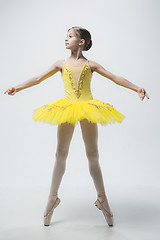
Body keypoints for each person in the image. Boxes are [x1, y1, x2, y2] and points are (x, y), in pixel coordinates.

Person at [4, 26, 149, 227]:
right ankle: (52, 198)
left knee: (93, 154)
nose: (65, 39)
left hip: (89, 109)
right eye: (66, 36)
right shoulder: (59, 64)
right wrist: (17, 87)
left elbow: (115, 78)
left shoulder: (92, 65)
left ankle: (103, 200)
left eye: (70, 36)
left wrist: (137, 88)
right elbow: (37, 78)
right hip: (66, 108)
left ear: (81, 42)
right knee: (60, 153)